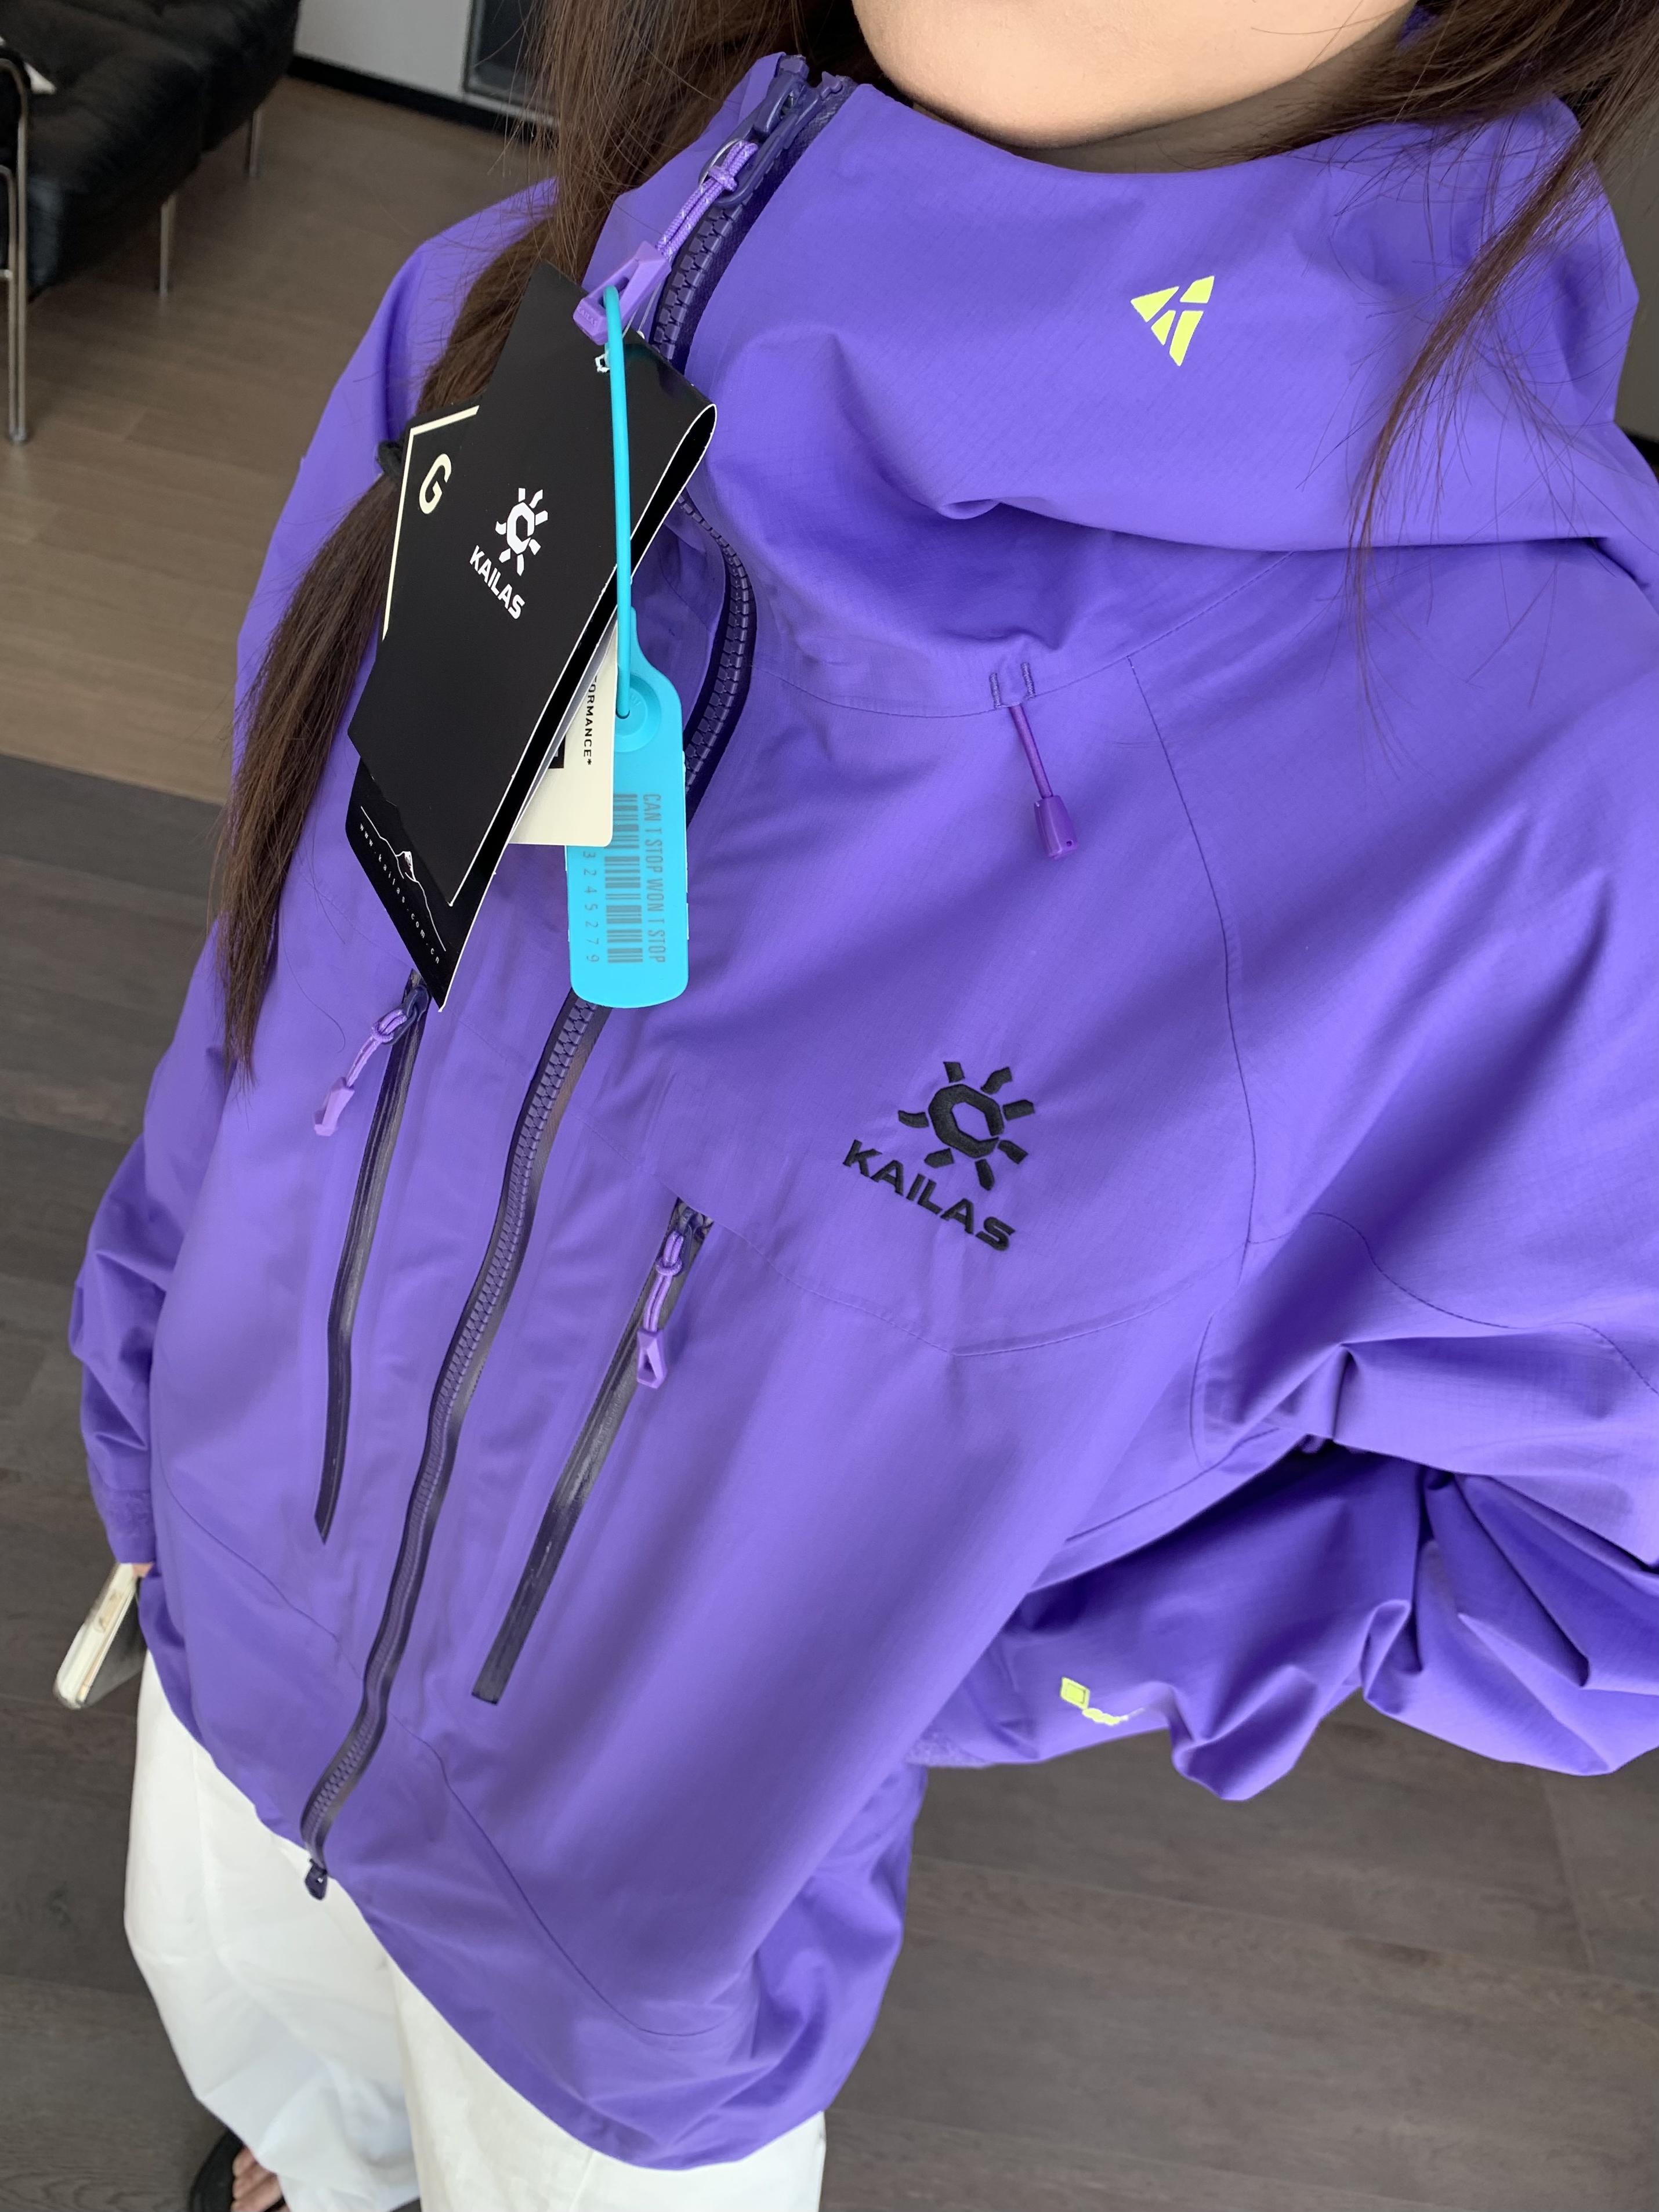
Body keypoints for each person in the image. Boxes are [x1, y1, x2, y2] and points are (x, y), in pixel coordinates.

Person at [73, 1, 1659, 2206]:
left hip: (638, 1957)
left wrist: (941, 1645)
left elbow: (1597, 1576)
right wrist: (148, 1388)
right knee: (268, 2039)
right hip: (221, 1631)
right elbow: (286, 966)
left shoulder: (1546, 782)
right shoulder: (500, 319)